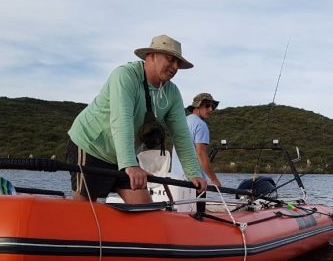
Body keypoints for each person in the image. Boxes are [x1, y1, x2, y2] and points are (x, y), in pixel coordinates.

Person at [67, 34, 207, 203]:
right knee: (86, 213)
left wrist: (193, 173)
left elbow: (182, 135)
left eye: (178, 63)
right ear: (151, 56)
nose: (175, 67)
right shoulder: (125, 76)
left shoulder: (173, 93)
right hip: (91, 146)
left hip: (124, 157)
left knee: (145, 209)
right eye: (170, 60)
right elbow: (122, 120)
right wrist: (130, 165)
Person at [170, 92, 222, 188]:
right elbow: (201, 154)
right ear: (197, 107)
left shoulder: (182, 122)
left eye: (212, 107)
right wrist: (214, 180)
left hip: (176, 181)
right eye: (207, 106)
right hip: (196, 182)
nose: (210, 109)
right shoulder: (201, 125)